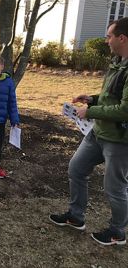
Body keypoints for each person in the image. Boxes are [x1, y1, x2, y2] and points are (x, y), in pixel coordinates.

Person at [49, 17, 128, 246]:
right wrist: (92, 99)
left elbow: (125, 109)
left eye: (109, 36)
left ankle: (117, 232)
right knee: (77, 168)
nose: (106, 40)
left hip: (119, 140)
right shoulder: (118, 62)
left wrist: (91, 111)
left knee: (115, 188)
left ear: (122, 38)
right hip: (98, 133)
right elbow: (112, 96)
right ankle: (76, 217)